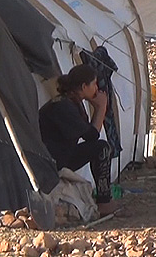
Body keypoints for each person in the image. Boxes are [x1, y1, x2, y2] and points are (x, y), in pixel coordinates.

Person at [39, 64, 118, 215]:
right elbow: (92, 136)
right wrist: (101, 107)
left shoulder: (70, 102)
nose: (97, 88)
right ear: (84, 86)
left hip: (59, 155)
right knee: (102, 148)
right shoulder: (64, 107)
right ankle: (104, 202)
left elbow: (90, 135)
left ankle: (104, 200)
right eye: (94, 84)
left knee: (99, 147)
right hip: (51, 161)